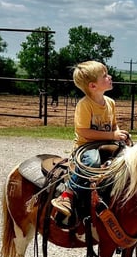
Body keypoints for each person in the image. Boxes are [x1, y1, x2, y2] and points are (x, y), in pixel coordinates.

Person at [51, 60, 130, 220]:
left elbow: (114, 127)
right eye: (105, 76)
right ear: (93, 86)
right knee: (93, 161)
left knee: (129, 158)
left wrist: (120, 134)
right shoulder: (85, 105)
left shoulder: (110, 103)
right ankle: (68, 195)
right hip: (86, 146)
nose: (110, 77)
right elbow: (84, 132)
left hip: (107, 144)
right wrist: (112, 136)